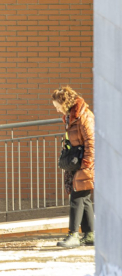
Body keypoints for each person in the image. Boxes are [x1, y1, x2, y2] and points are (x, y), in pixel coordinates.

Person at [52, 86, 95, 247]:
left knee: (77, 198)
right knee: (84, 199)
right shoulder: (72, 117)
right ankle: (90, 234)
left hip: (85, 163)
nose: (57, 110)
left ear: (65, 102)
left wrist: (87, 164)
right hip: (79, 163)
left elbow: (92, 142)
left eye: (57, 106)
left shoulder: (84, 117)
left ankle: (73, 235)